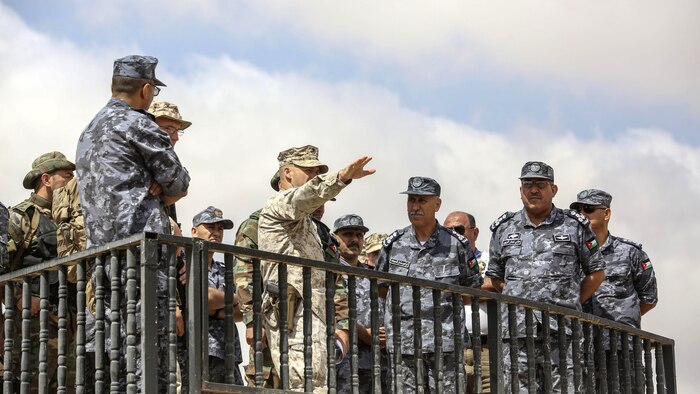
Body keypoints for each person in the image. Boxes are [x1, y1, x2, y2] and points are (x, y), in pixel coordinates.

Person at [76, 55, 190, 392]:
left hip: (103, 259)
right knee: (150, 353)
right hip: (143, 256)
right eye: (153, 90)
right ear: (145, 88)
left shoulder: (88, 130)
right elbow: (179, 182)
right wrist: (157, 189)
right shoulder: (138, 123)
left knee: (117, 350)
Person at [258, 145, 375, 392]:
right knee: (304, 385)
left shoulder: (309, 223)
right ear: (287, 173)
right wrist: (341, 178)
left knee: (318, 385)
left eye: (318, 171)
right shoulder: (279, 203)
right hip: (294, 316)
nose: (314, 176)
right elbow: (305, 196)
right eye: (309, 170)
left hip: (313, 317)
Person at [484, 161, 605, 393]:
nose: (533, 190)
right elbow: (496, 278)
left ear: (554, 190)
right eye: (527, 184)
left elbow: (597, 272)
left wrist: (569, 302)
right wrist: (517, 298)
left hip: (563, 331)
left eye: (540, 184)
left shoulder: (574, 226)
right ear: (521, 191)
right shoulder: (504, 228)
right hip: (517, 333)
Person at [377, 177, 483, 394]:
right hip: (403, 344)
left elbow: (471, 290)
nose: (415, 207)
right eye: (411, 200)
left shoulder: (457, 245)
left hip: (446, 345)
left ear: (437, 205)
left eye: (422, 201)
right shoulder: (393, 244)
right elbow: (381, 288)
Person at [570, 189, 658, 391]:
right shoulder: (569, 254)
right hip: (580, 348)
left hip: (621, 349)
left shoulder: (631, 253)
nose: (582, 214)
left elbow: (649, 298)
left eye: (589, 209)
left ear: (606, 214)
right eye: (578, 210)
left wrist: (620, 319)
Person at [5, 151, 75, 391]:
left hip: (70, 320)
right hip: (31, 325)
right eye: (67, 176)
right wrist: (18, 296)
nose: (73, 181)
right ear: (46, 180)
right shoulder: (21, 217)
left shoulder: (73, 217)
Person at [190, 206, 243, 385]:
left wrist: (216, 311)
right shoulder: (186, 264)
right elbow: (206, 298)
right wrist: (233, 299)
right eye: (211, 227)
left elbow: (242, 311)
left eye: (220, 229)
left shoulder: (225, 269)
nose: (217, 233)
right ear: (194, 231)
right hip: (200, 350)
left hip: (229, 352)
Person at [443, 211, 490, 394]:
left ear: (475, 233)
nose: (454, 234)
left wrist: (457, 290)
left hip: (486, 349)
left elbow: (497, 286)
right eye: (448, 231)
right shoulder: (439, 263)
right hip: (451, 349)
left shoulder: (488, 259)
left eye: (459, 229)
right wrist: (475, 289)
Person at [332, 214, 373, 394]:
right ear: (335, 237)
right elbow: (328, 312)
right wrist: (363, 333)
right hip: (343, 360)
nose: (355, 239)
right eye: (348, 234)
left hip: (373, 361)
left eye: (359, 235)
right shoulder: (329, 272)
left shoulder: (373, 275)